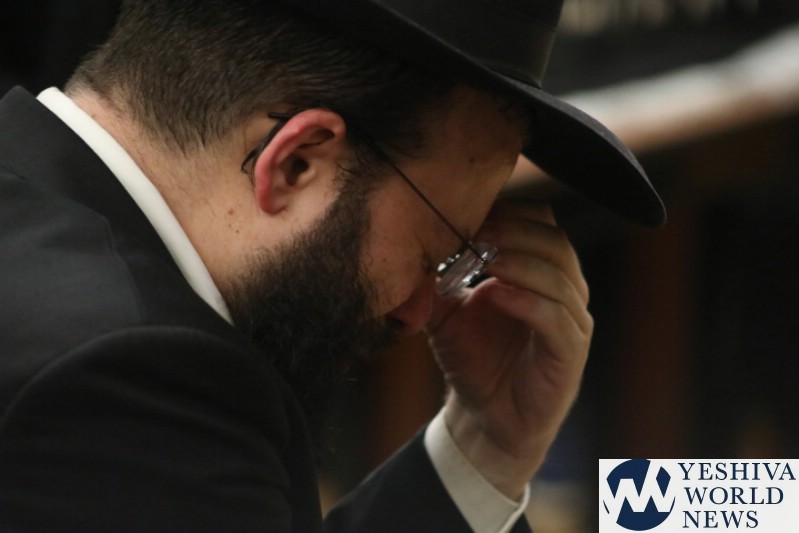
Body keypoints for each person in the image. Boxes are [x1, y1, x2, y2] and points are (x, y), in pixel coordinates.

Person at [0, 0, 665, 531]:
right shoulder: (134, 379)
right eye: (434, 253)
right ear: (296, 163)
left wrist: (484, 450)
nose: (420, 313)